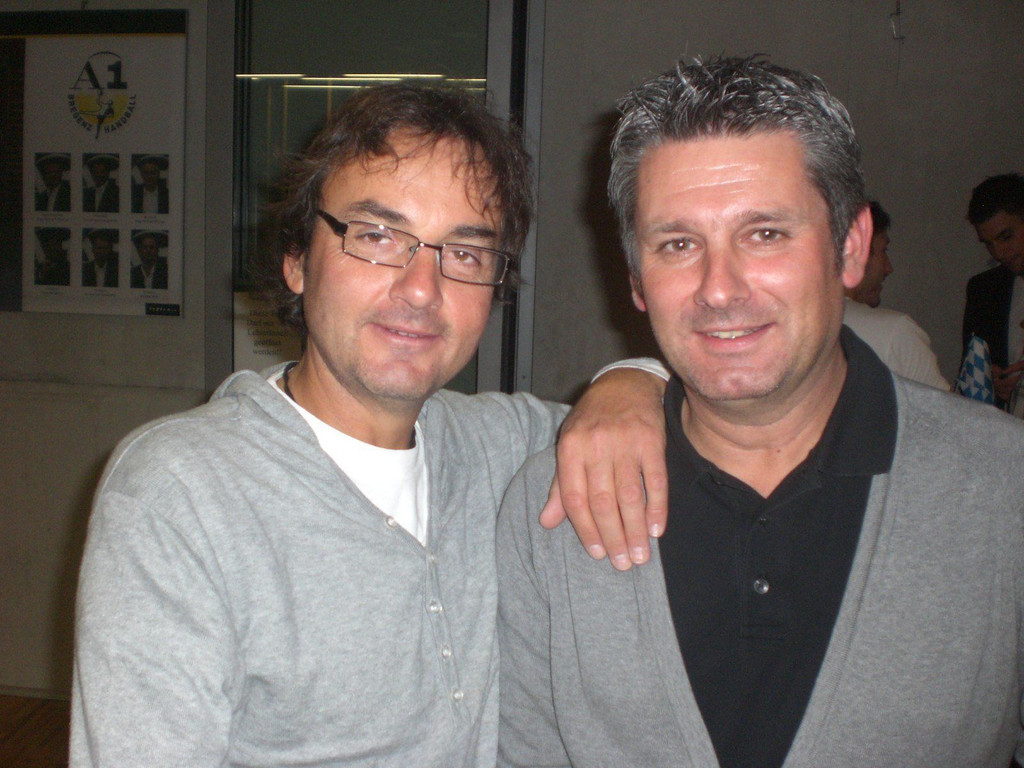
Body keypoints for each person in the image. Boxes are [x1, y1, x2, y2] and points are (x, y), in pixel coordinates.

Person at [71, 83, 669, 767]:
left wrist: (633, 381)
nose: (421, 289)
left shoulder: (501, 447)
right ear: (297, 260)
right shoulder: (182, 493)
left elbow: (689, 411)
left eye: (465, 254)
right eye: (378, 236)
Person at [497, 56, 1024, 768]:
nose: (719, 288)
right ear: (637, 280)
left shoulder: (1003, 487)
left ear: (851, 247)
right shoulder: (551, 510)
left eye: (766, 233)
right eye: (678, 244)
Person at [842, 201, 948, 388]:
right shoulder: (895, 333)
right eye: (883, 251)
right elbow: (940, 407)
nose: (888, 268)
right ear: (856, 250)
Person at [962, 172, 1024, 407]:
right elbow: (969, 379)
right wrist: (989, 381)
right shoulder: (984, 291)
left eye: (1006, 237)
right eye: (989, 244)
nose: (998, 253)